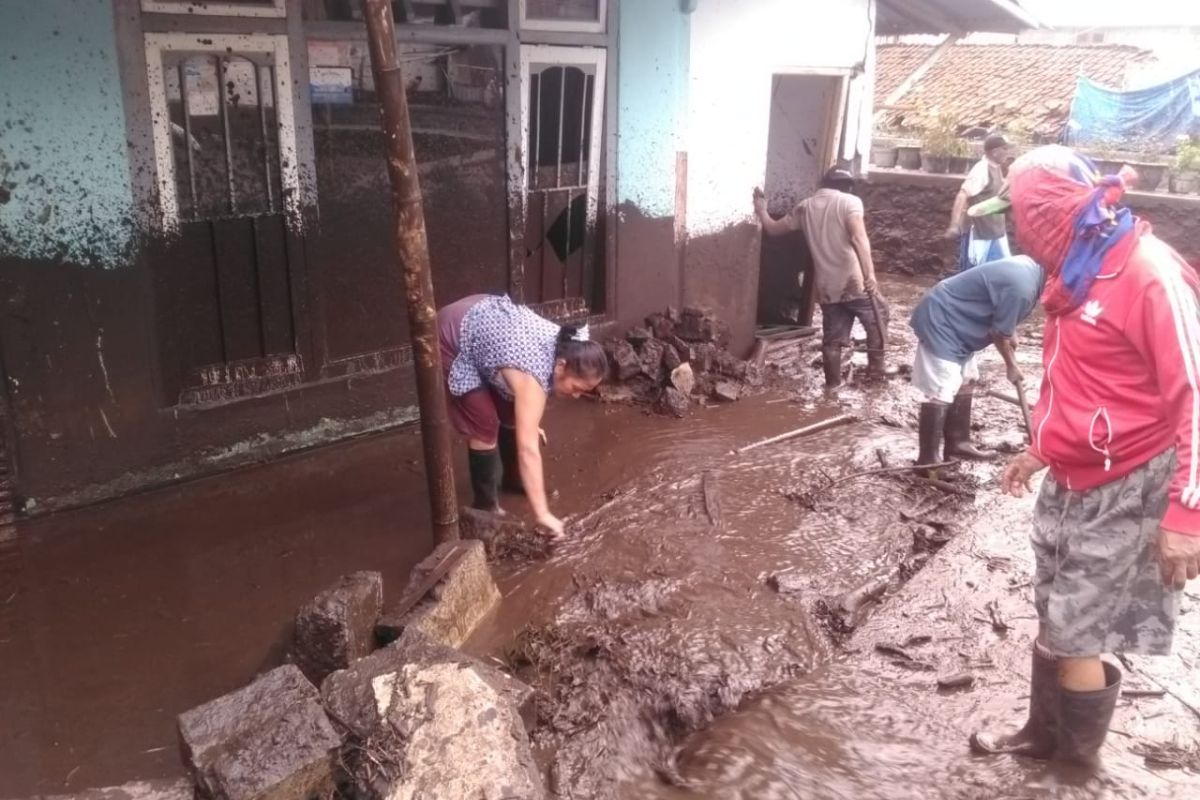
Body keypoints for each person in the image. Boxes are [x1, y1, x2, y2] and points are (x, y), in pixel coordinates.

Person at [968, 146, 1200, 768]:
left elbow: (1196, 396)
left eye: (1018, 216)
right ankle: (1046, 736)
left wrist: (1186, 516)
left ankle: (1071, 765)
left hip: (1131, 477)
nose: (1015, 231)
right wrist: (1041, 449)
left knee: (1075, 625)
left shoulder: (1148, 273)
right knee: (1056, 608)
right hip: (1074, 476)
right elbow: (1087, 381)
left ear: (1048, 210)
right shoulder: (1076, 270)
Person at [438, 294, 608, 537]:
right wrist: (543, 514)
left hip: (485, 321)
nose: (577, 396)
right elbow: (528, 449)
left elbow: (524, 410)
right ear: (560, 366)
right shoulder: (533, 379)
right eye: (577, 388)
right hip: (454, 331)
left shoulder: (566, 345)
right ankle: (486, 507)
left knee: (512, 414)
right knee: (484, 423)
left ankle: (513, 481)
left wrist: (528, 424)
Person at [753, 167, 888, 388]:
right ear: (847, 186)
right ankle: (875, 376)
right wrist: (870, 274)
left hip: (827, 286)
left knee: (832, 341)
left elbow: (772, 230)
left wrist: (762, 210)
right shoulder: (850, 202)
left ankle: (832, 387)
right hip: (854, 282)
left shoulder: (804, 207)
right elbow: (858, 237)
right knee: (879, 317)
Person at [910, 256, 1044, 466]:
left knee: (967, 379)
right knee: (941, 387)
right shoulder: (1024, 289)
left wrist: (1011, 329)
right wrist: (1011, 366)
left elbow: (1001, 305)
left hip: (961, 320)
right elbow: (999, 333)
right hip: (942, 317)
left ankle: (958, 443)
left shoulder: (1032, 269)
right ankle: (927, 461)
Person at [945, 134, 1012, 271]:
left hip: (996, 233)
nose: (1008, 152)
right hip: (980, 236)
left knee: (1000, 274)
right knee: (974, 274)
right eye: (1005, 148)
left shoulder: (996, 168)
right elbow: (962, 195)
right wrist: (954, 225)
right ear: (994, 152)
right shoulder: (981, 170)